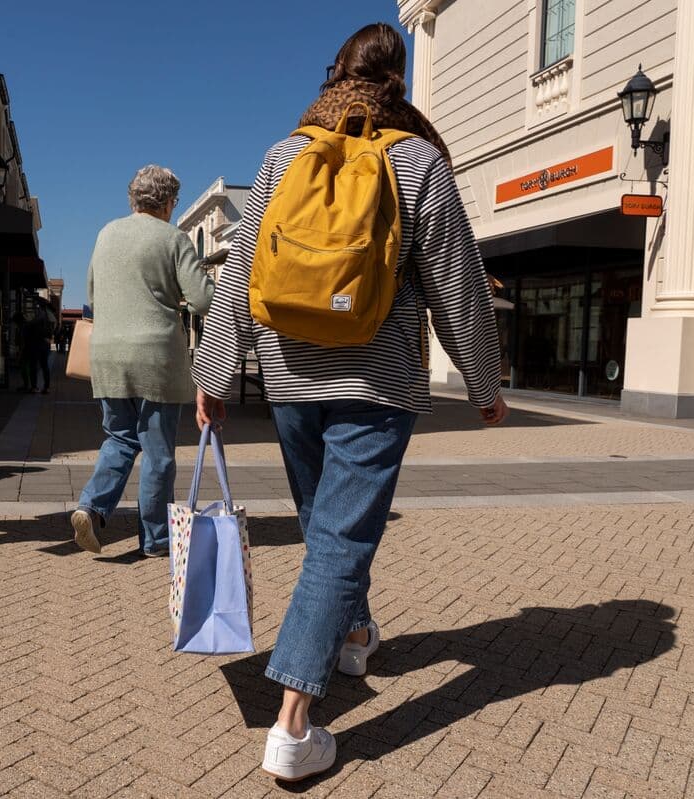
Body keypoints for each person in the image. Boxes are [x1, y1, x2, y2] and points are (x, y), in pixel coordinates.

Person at [191, 23, 508, 781]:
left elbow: (243, 273)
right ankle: (293, 725)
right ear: (399, 81)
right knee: (338, 540)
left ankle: (355, 630)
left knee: (328, 531)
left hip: (291, 378)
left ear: (335, 73)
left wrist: (213, 373)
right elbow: (456, 284)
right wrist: (486, 387)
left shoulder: (283, 153)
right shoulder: (420, 160)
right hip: (378, 379)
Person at [71, 165, 216, 557]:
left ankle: (90, 506)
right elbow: (203, 300)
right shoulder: (174, 238)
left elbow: (92, 297)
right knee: (158, 452)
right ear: (168, 202)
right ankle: (155, 540)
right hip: (156, 357)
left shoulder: (105, 234)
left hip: (108, 353)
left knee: (119, 438)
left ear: (133, 199)